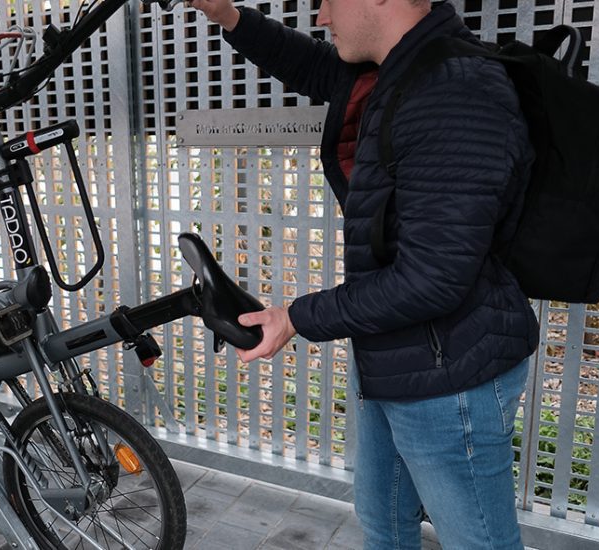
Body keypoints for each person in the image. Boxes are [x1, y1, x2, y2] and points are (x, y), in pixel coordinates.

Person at [188, 0, 540, 548]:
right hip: (397, 356)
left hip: (451, 377)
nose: (321, 16)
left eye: (328, 0)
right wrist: (224, 12)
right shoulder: (394, 71)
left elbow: (434, 278)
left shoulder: (455, 91)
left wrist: (297, 317)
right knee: (384, 522)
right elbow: (310, 65)